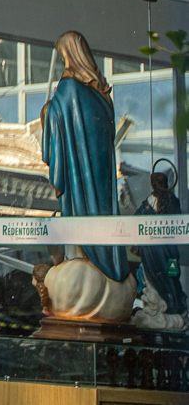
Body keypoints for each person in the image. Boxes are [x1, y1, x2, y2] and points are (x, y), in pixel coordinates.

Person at [39, 31, 135, 322]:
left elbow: (57, 121)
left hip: (79, 178)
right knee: (100, 210)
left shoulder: (69, 89)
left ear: (69, 54)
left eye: (62, 55)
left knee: (78, 213)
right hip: (101, 177)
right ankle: (105, 259)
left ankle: (81, 256)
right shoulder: (100, 95)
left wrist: (48, 112)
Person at [130, 172, 188, 331]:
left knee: (170, 278)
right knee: (152, 278)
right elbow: (135, 220)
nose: (155, 186)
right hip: (151, 251)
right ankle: (159, 307)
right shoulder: (147, 203)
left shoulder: (171, 201)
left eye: (157, 183)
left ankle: (172, 306)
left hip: (167, 249)